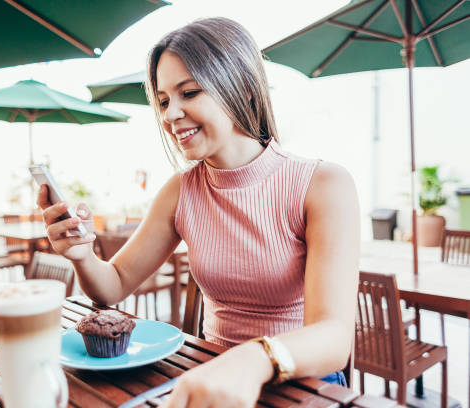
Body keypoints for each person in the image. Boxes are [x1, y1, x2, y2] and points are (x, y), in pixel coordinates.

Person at [38, 17, 359, 408]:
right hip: (210, 372)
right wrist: (83, 255)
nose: (170, 114)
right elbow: (114, 284)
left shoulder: (323, 184)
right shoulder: (181, 191)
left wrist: (254, 358)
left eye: (188, 92)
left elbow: (334, 338)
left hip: (301, 381)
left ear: (239, 85)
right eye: (163, 101)